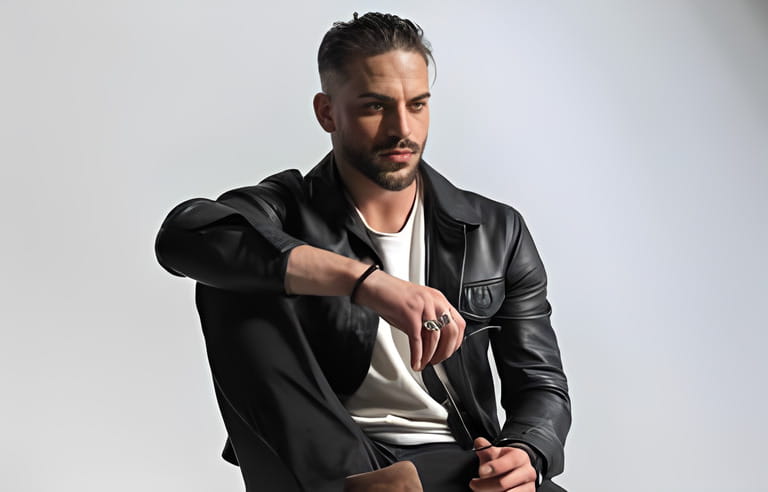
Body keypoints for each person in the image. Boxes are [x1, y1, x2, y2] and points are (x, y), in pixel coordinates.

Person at [155, 12, 570, 492]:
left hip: (459, 461)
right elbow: (184, 236)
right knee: (232, 271)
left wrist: (527, 452)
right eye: (375, 106)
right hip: (333, 465)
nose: (402, 130)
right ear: (327, 112)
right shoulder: (288, 210)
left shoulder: (495, 230)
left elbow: (541, 382)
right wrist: (368, 283)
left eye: (417, 105)